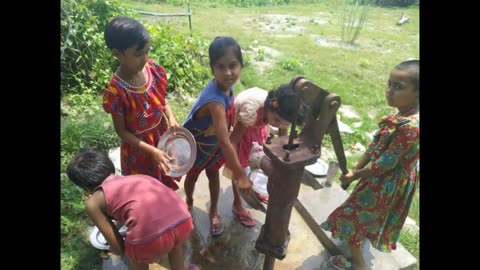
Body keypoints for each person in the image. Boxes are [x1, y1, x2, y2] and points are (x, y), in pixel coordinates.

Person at [320, 59, 420, 270]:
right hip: (380, 177)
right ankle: (359, 244)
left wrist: (355, 175)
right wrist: (357, 169)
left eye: (399, 87)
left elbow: (386, 163)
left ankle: (359, 263)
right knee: (368, 214)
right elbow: (376, 144)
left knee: (355, 216)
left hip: (388, 183)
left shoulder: (412, 127)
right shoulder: (400, 114)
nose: (390, 91)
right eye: (389, 84)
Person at [66, 148, 198, 270]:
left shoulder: (93, 203)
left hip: (152, 239)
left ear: (86, 187)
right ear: (110, 167)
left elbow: (118, 248)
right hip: (183, 220)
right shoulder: (137, 178)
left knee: (137, 258)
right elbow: (141, 209)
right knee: (175, 246)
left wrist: (130, 248)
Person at [182, 36, 252, 236]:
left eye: (233, 65)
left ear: (241, 65)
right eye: (221, 67)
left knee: (213, 175)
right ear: (212, 68)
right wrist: (240, 174)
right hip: (196, 147)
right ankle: (188, 203)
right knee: (192, 176)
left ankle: (213, 211)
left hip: (212, 148)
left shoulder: (228, 87)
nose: (228, 72)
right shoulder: (214, 101)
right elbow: (224, 139)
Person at [102, 17, 180, 190]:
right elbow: (122, 132)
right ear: (117, 54)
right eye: (138, 54)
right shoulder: (117, 92)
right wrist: (151, 151)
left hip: (161, 137)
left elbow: (161, 99)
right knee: (145, 188)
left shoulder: (153, 70)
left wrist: (171, 117)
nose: (145, 58)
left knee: (164, 180)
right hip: (139, 150)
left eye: (147, 51)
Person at [224, 84, 308, 215]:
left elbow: (283, 134)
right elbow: (232, 142)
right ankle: (237, 203)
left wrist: (285, 157)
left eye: (284, 123)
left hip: (258, 125)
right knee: (240, 163)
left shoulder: (280, 114)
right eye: (276, 120)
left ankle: (255, 188)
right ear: (269, 107)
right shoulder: (250, 112)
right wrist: (241, 176)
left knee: (258, 153)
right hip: (243, 128)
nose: (278, 125)